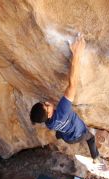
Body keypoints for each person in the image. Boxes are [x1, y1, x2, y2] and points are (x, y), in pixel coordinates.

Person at [30, 34, 100, 163]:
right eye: (46, 105)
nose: (47, 102)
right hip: (78, 135)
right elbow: (72, 84)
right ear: (49, 112)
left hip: (67, 137)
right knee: (91, 138)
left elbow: (50, 118)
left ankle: (59, 134)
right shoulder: (63, 109)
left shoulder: (48, 123)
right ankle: (95, 157)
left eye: (43, 102)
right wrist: (76, 55)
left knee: (59, 132)